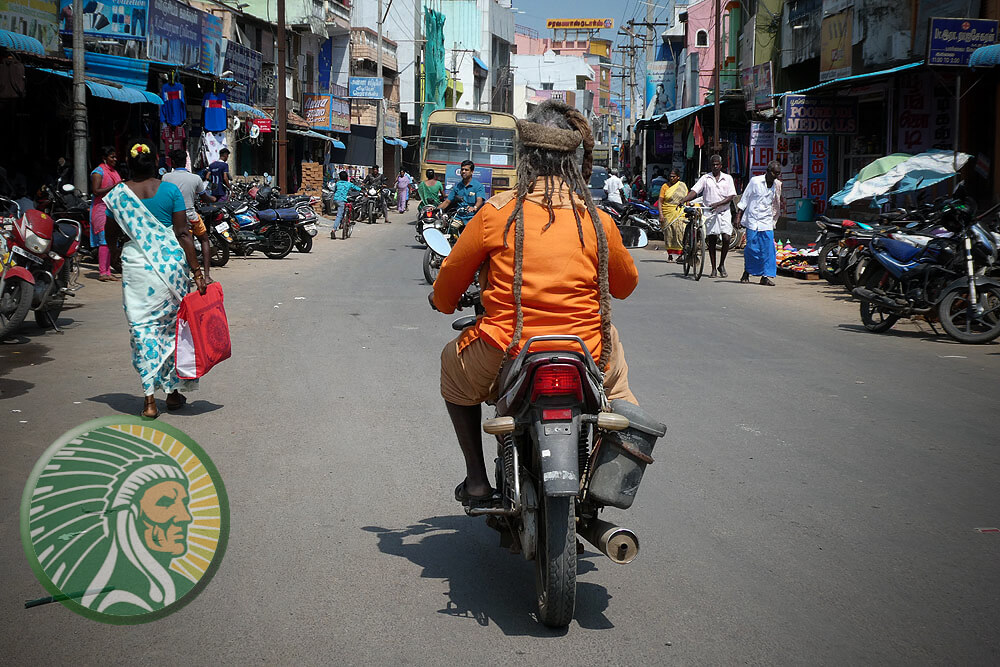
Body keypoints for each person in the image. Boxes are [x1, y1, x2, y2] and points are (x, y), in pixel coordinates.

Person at [431, 100, 639, 506]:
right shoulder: (597, 219)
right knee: (623, 394)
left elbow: (445, 291)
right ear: (573, 159)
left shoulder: (497, 212)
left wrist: (442, 301)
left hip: (506, 346)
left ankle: (476, 481)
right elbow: (626, 286)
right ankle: (604, 479)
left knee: (450, 368)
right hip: (588, 351)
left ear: (524, 155)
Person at [102, 142, 207, 419]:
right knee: (171, 330)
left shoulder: (118, 195)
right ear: (154, 163)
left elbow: (109, 231)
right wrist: (197, 271)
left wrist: (113, 253)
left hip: (137, 266)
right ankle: (172, 394)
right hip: (170, 266)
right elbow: (183, 234)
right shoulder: (170, 191)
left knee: (142, 330)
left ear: (130, 165)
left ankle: (149, 400)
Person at [162, 149, 214, 283]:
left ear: (172, 162)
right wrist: (213, 199)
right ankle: (207, 275)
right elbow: (204, 197)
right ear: (185, 162)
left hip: (173, 218)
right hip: (191, 216)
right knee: (204, 239)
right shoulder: (195, 178)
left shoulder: (166, 177)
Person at [682, 154, 737, 278]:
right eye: (713, 164)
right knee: (711, 240)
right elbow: (695, 191)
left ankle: (721, 265)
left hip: (724, 212)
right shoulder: (705, 178)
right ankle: (713, 268)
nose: (715, 166)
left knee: (727, 238)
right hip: (709, 213)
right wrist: (684, 199)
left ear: (721, 165)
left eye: (717, 164)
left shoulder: (727, 178)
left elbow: (731, 196)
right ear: (710, 165)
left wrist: (718, 204)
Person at [736, 160, 783, 286]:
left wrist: (775, 218)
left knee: (768, 249)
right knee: (751, 248)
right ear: (768, 172)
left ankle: (765, 276)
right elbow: (744, 198)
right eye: (775, 173)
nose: (776, 176)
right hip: (753, 220)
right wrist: (738, 216)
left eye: (778, 174)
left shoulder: (777, 184)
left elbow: (776, 202)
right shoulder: (755, 181)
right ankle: (747, 272)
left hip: (766, 220)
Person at [89, 145, 123, 281]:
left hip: (112, 209)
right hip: (101, 209)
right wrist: (114, 187)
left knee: (111, 240)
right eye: (112, 157)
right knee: (104, 240)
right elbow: (96, 191)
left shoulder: (114, 171)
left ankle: (108, 271)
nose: (115, 159)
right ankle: (103, 272)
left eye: (115, 156)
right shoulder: (98, 172)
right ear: (104, 158)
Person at [437, 160, 485, 225]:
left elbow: (479, 200)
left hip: (472, 218)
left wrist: (474, 208)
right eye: (462, 169)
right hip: (458, 217)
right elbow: (447, 201)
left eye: (466, 170)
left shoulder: (478, 186)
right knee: (449, 229)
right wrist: (436, 210)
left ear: (472, 172)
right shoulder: (457, 187)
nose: (463, 172)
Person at [658, 168, 688, 262]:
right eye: (670, 176)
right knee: (668, 234)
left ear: (678, 177)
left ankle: (681, 255)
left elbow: (687, 199)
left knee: (680, 232)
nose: (671, 178)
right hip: (667, 212)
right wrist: (661, 215)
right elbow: (660, 201)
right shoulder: (664, 186)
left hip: (680, 212)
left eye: (673, 176)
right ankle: (670, 255)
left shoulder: (682, 186)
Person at [330, 170, 361, 237]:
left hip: (335, 200)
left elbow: (335, 190)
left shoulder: (338, 183)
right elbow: (357, 188)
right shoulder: (349, 184)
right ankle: (334, 230)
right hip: (342, 200)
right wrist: (363, 191)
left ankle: (342, 223)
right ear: (347, 177)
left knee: (341, 211)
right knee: (339, 215)